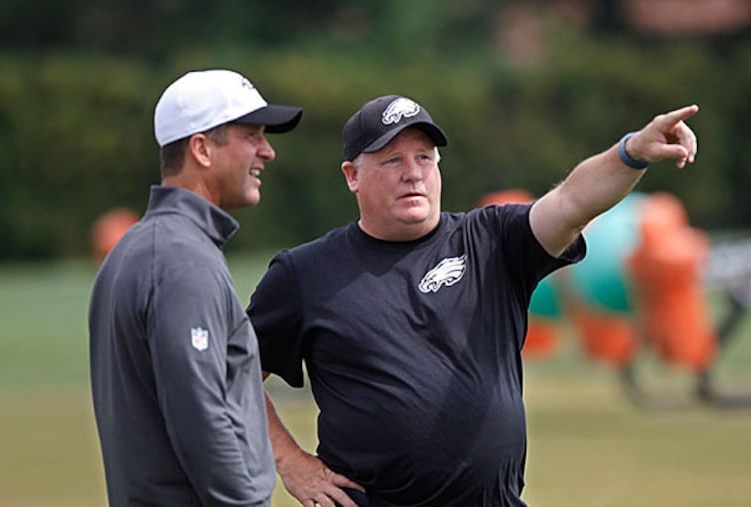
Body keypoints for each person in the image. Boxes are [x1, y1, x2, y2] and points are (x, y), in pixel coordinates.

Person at [247, 94, 698, 507]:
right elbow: (232, 371)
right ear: (353, 176)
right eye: (392, 160)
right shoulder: (304, 274)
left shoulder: (492, 240)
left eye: (425, 157)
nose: (413, 172)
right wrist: (290, 462)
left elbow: (572, 201)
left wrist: (631, 152)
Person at [88, 69, 302, 506]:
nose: (268, 151)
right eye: (253, 134)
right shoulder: (182, 258)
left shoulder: (138, 248)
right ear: (202, 149)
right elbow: (200, 416)